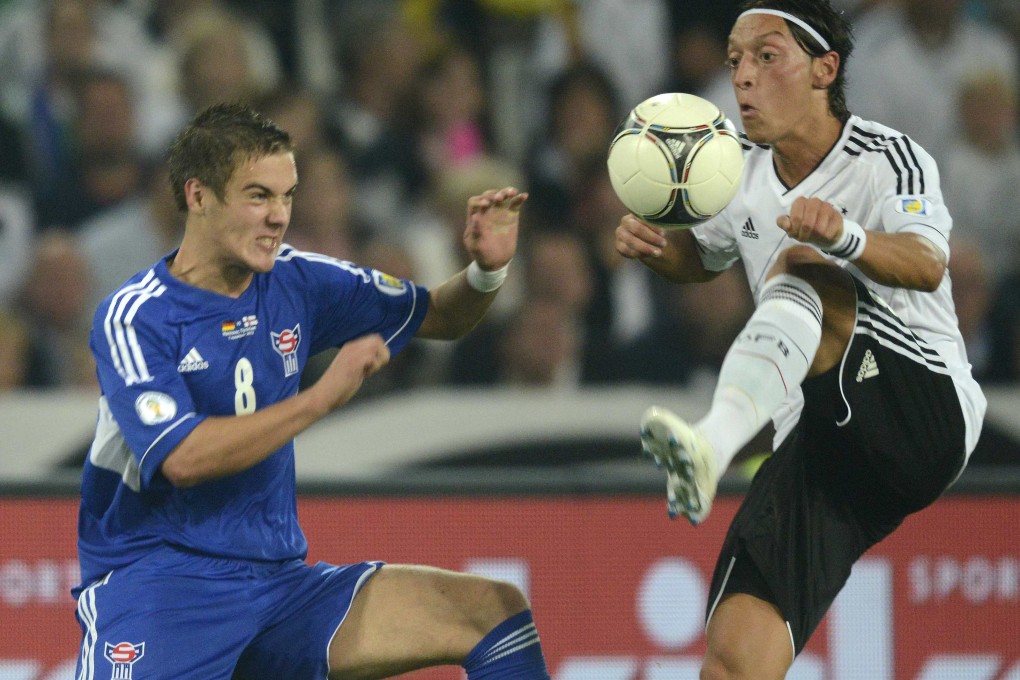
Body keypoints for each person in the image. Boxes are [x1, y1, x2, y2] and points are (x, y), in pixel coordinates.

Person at [73, 102, 550, 680]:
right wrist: (322, 397)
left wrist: (484, 274)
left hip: (280, 587)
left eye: (287, 196)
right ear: (198, 196)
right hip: (162, 587)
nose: (278, 216)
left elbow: (440, 317)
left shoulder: (298, 280)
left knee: (492, 611)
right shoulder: (136, 317)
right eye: (257, 196)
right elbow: (185, 458)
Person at [614, 2, 986, 678]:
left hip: (922, 411)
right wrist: (662, 254)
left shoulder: (886, 157)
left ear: (825, 68)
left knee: (805, 268)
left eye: (766, 56)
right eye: (734, 62)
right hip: (821, 445)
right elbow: (708, 258)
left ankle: (713, 443)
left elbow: (928, 262)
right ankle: (716, 445)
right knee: (731, 657)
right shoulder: (738, 173)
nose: (744, 79)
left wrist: (844, 237)